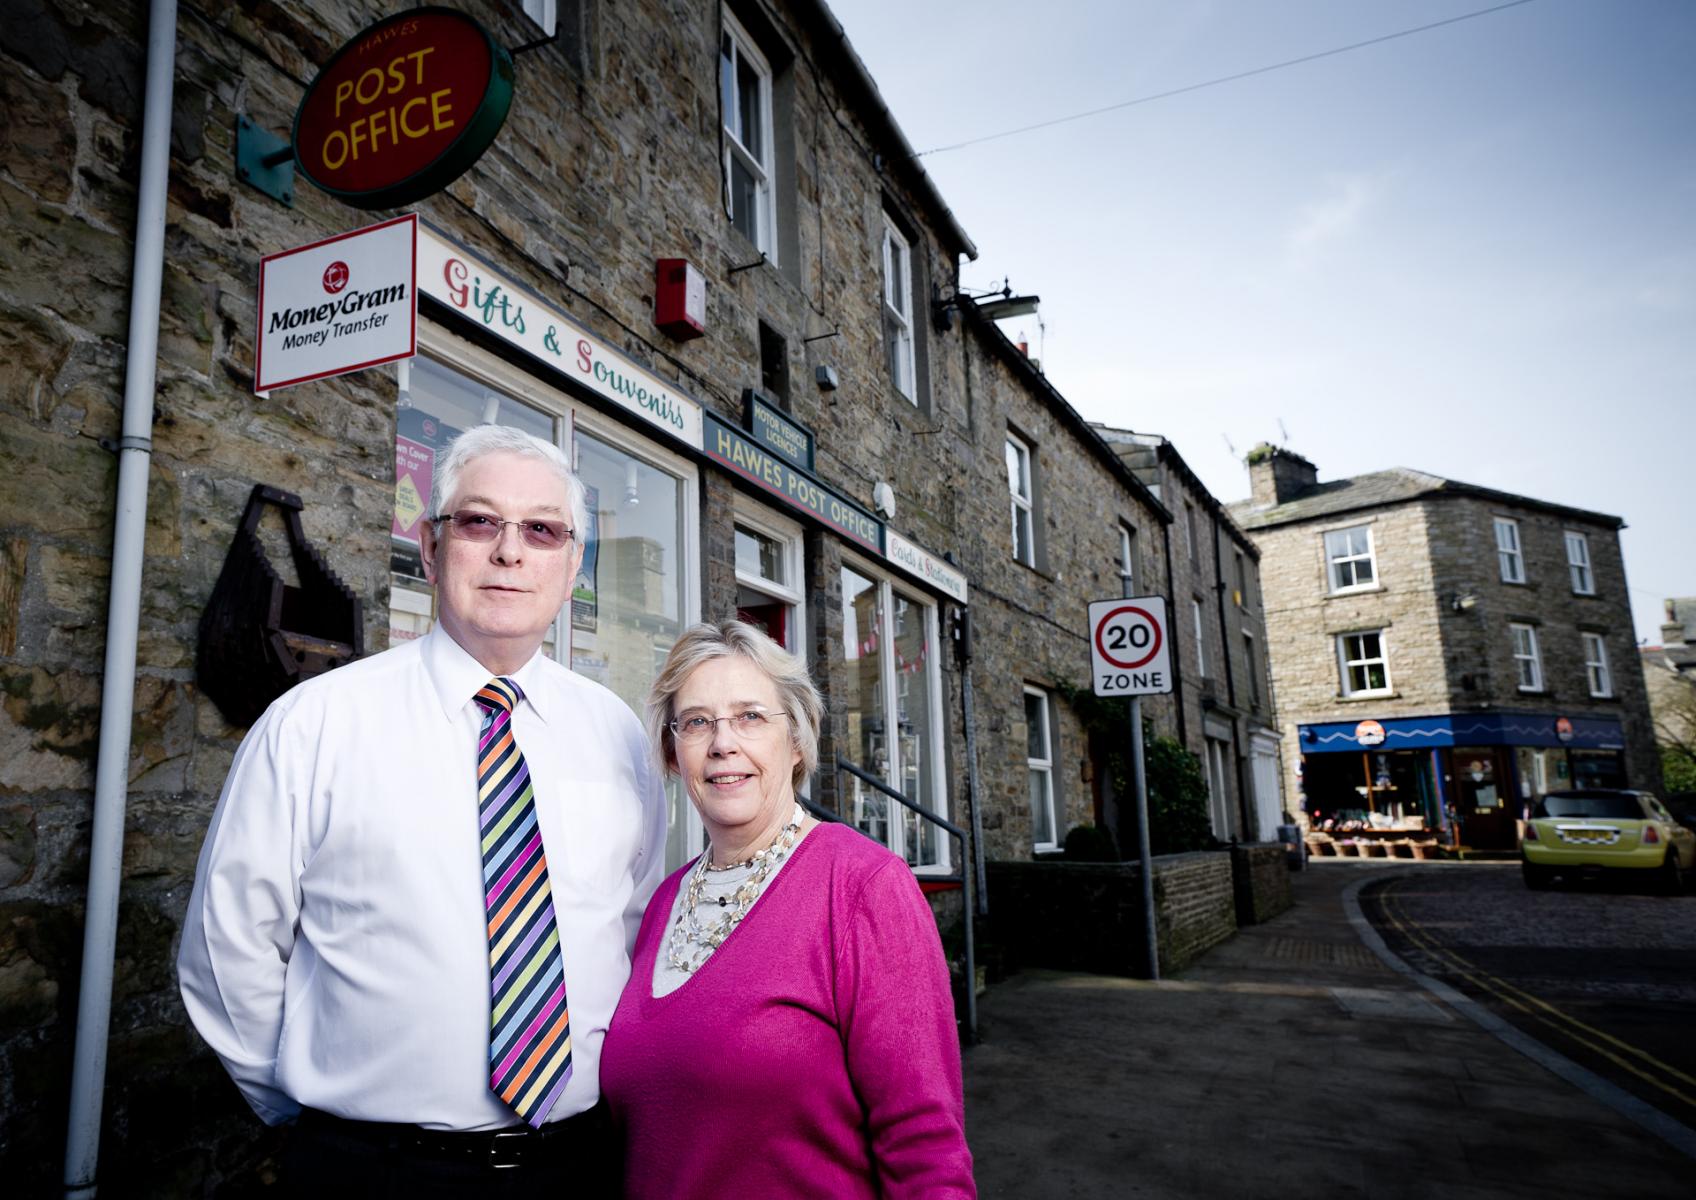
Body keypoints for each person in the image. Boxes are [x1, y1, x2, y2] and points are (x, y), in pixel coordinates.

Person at [178, 424, 666, 1196]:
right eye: (479, 521)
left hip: (574, 1166)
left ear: (571, 567)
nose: (510, 552)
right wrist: (313, 1115)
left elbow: (632, 926)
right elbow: (227, 946)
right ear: (433, 550)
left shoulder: (620, 736)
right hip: (373, 1173)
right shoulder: (315, 724)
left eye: (541, 530)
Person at [600, 620, 975, 1198]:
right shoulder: (662, 903)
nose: (723, 742)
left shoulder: (863, 888)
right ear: (674, 754)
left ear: (796, 740)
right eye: (697, 722)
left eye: (750, 716)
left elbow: (925, 1148)